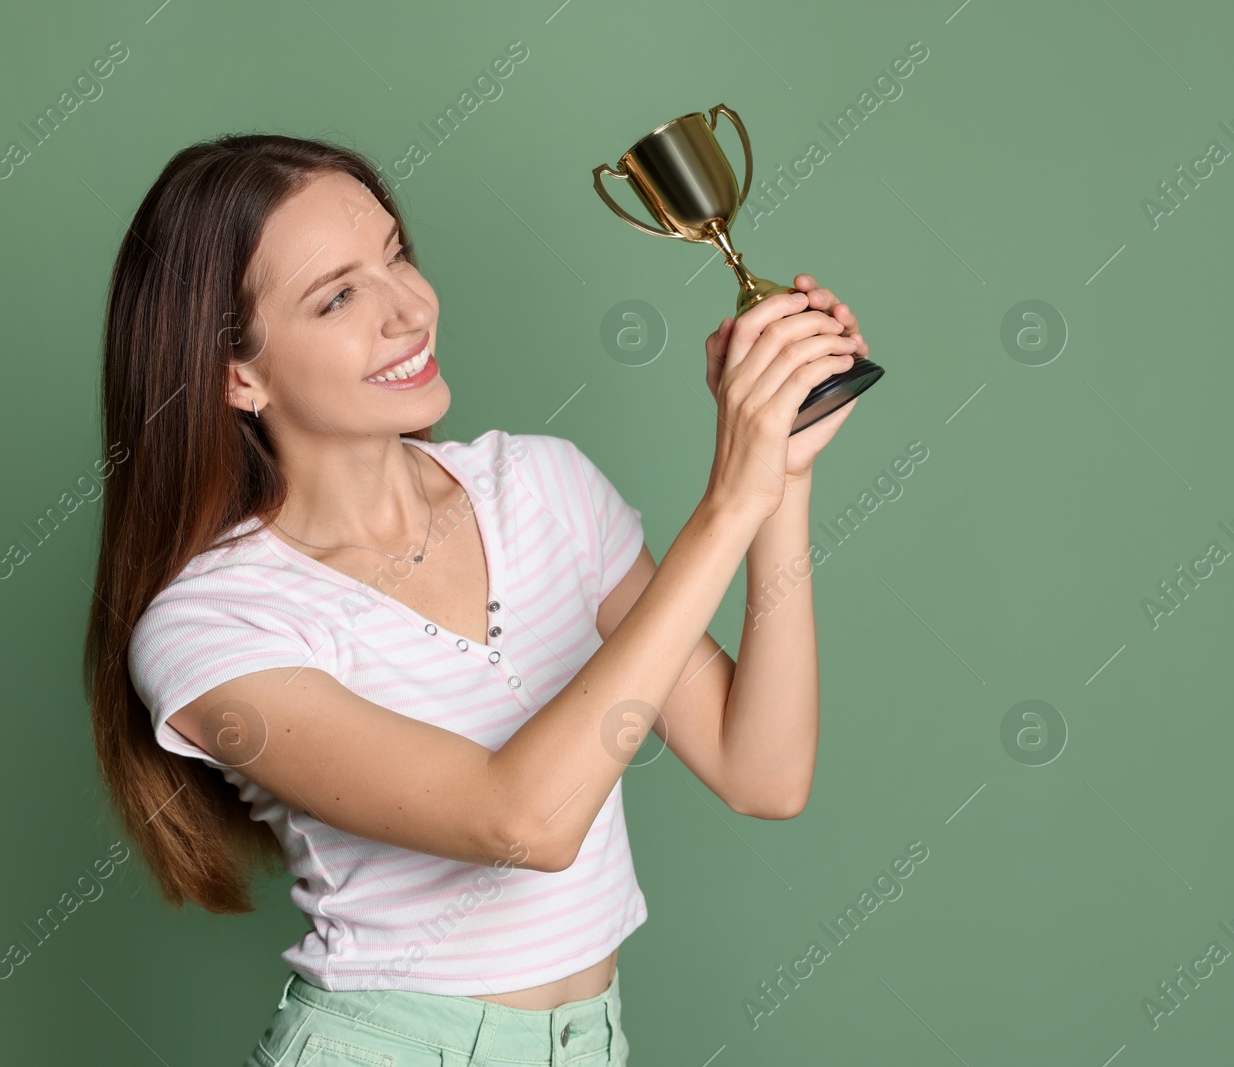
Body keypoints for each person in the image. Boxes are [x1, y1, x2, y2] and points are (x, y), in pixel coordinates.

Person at [82, 132, 869, 1066]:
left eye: (396, 255)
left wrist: (779, 481)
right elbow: (523, 821)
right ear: (237, 373)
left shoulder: (541, 486)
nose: (407, 310)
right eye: (338, 296)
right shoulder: (212, 622)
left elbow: (762, 772)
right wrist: (730, 500)